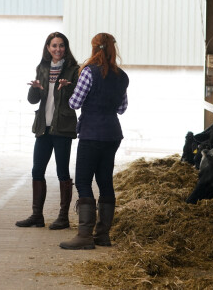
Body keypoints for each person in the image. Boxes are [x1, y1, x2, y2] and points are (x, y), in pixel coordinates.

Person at [59, 32, 129, 250]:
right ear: (112, 49)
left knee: (82, 181)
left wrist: (69, 91)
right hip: (112, 135)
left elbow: (75, 103)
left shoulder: (89, 72)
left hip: (91, 134)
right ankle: (103, 235)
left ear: (94, 48)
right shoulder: (122, 76)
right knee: (105, 181)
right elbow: (122, 108)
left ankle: (84, 236)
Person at [16, 32, 79, 229]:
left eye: (61, 46)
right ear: (48, 48)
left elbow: (76, 101)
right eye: (54, 46)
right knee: (37, 170)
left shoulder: (74, 70)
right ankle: (37, 215)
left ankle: (63, 217)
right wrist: (35, 88)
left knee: (62, 171)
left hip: (63, 128)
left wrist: (67, 88)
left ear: (66, 48)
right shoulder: (42, 67)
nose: (58, 49)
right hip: (44, 127)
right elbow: (33, 100)